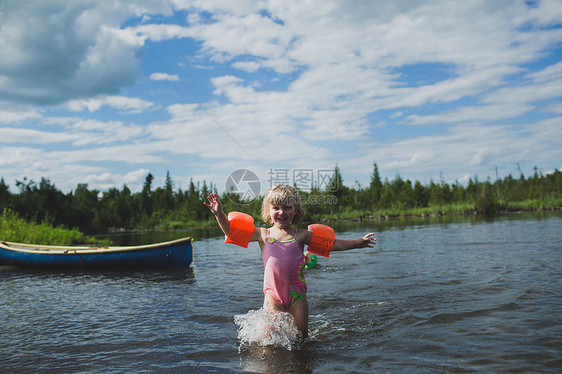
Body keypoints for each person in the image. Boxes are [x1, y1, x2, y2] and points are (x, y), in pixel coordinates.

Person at [204, 184, 376, 339]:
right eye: (276, 208)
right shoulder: (263, 235)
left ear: (295, 210)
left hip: (298, 296)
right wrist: (219, 214)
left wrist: (357, 243)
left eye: (287, 207)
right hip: (273, 297)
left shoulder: (301, 236)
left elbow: (330, 244)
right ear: (268, 211)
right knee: (270, 341)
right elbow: (231, 232)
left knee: (301, 341)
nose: (281, 212)